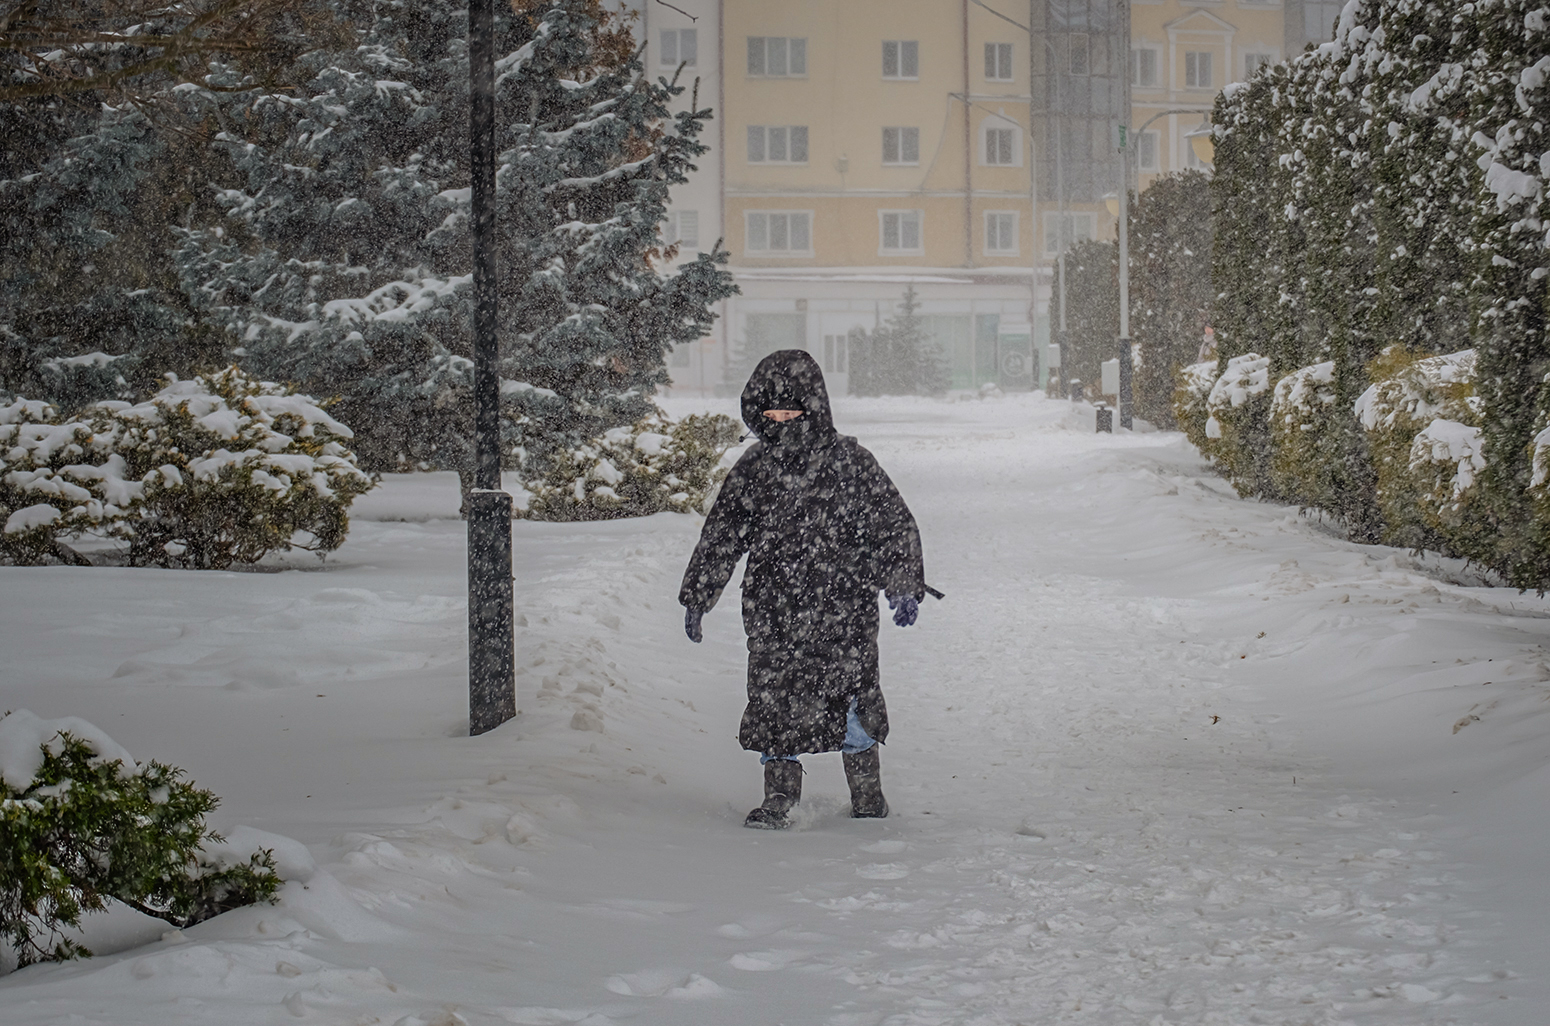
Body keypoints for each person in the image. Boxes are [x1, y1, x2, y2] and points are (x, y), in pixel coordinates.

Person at [680, 349, 937, 829]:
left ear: (813, 408)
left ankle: (867, 795)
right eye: (772, 412)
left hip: (845, 609)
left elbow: (892, 526)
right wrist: (699, 594)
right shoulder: (755, 469)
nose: (781, 420)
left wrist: (902, 583)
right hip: (773, 609)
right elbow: (722, 535)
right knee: (775, 701)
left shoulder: (852, 464)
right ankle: (780, 796)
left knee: (854, 703)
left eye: (791, 411)